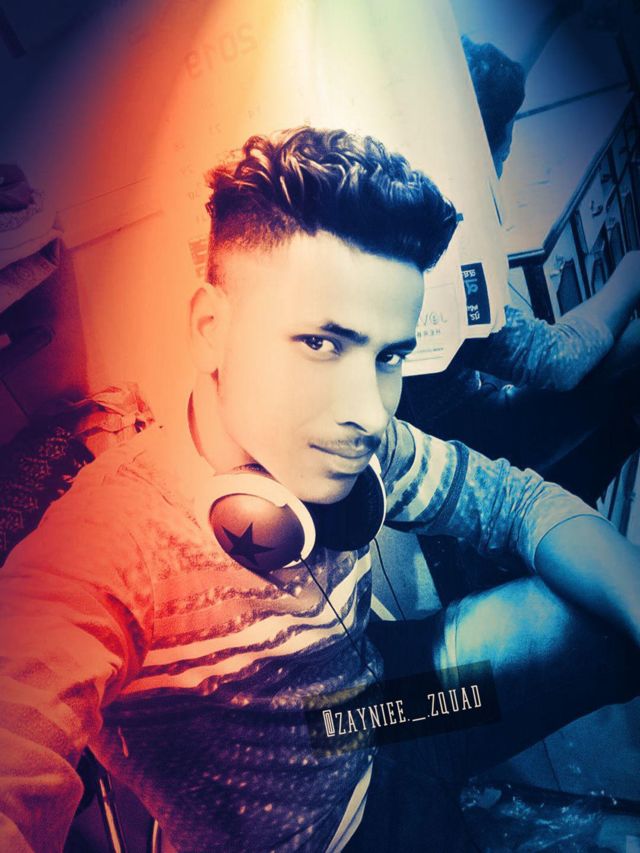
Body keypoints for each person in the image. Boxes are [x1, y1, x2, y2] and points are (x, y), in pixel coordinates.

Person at [0, 128, 638, 852]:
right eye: (321, 343)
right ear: (210, 327)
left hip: (394, 713)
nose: (370, 412)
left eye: (389, 356)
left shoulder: (360, 437)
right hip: (324, 838)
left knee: (603, 616)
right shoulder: (106, 547)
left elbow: (517, 503)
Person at [398, 37, 640, 507]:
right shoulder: (440, 251)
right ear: (478, 154)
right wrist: (632, 271)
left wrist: (556, 23)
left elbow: (486, 101)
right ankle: (564, 503)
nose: (502, 168)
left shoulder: (408, 195)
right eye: (503, 155)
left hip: (445, 426)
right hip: (470, 447)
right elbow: (558, 360)